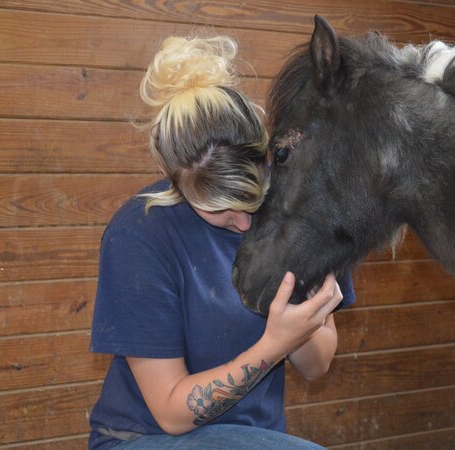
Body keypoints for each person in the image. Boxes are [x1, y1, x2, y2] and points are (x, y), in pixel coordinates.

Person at [87, 35, 355, 450]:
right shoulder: (139, 235)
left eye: (252, 199)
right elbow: (172, 413)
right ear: (178, 183)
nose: (245, 224)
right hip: (146, 438)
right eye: (221, 210)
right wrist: (274, 344)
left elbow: (318, 366)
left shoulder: (296, 212)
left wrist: (303, 326)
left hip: (252, 436)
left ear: (266, 159)